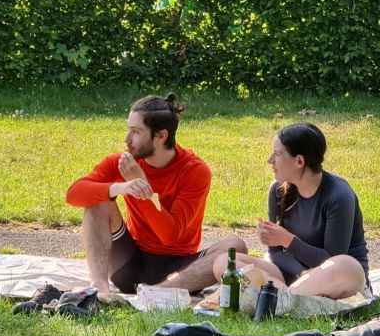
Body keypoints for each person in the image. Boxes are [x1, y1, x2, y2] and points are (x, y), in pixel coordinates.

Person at [66, 94, 246, 294]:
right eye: (129, 130)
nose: (127, 139)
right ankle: (99, 286)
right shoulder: (124, 162)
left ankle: (158, 293)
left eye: (136, 132)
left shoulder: (194, 170)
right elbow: (73, 195)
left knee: (235, 247)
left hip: (179, 271)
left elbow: (169, 237)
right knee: (98, 200)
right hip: (129, 265)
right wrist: (118, 188)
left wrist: (143, 189)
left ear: (161, 136)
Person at [213, 122, 368, 299]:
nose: (270, 160)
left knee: (346, 265)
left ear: (299, 161)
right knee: (223, 263)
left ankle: (275, 296)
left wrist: (288, 240)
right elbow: (276, 253)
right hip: (292, 276)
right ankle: (286, 297)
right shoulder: (278, 190)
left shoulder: (339, 195)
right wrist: (300, 274)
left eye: (277, 154)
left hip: (333, 278)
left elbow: (332, 258)